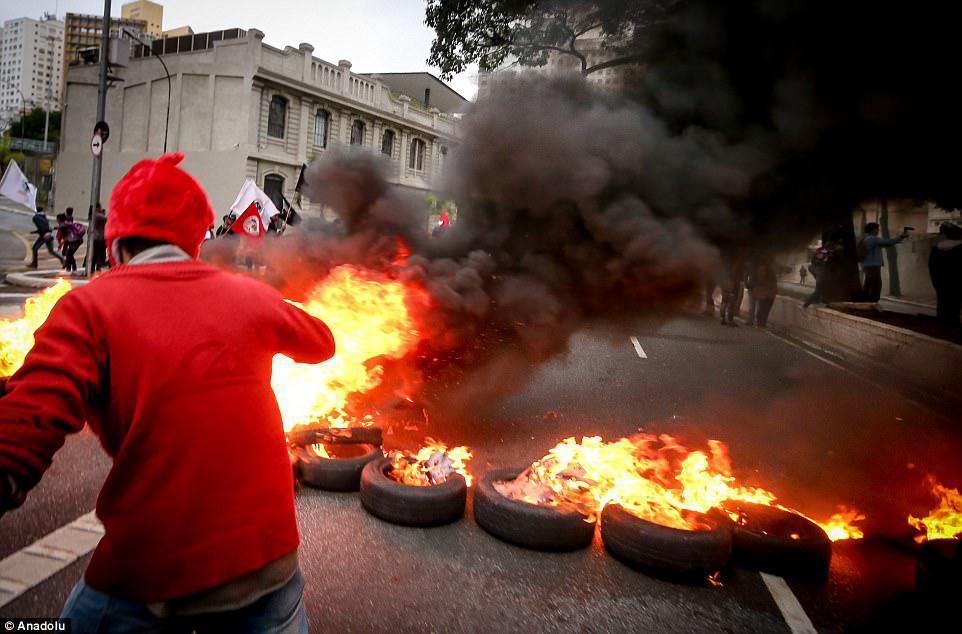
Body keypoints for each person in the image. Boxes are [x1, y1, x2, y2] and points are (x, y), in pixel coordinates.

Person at [0, 153, 335, 632]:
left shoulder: (87, 307)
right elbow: (322, 342)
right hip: (271, 569)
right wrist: (258, 304)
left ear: (114, 245)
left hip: (150, 581)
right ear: (194, 242)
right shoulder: (249, 296)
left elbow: (23, 431)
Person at [859, 222, 909, 302]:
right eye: (877, 229)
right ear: (873, 230)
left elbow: (886, 244)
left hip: (868, 266)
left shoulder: (866, 238)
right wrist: (901, 237)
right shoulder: (872, 238)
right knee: (876, 285)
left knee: (869, 284)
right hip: (872, 266)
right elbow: (888, 242)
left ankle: (866, 302)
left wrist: (898, 239)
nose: (878, 230)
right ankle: (872, 302)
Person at [928, 223, 962, 327]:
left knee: (942, 302)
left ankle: (942, 324)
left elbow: (932, 267)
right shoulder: (960, 248)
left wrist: (935, 281)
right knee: (955, 305)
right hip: (957, 282)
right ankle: (953, 325)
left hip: (940, 282)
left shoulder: (936, 249)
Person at [804, 241, 839, 308]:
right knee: (819, 290)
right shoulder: (824, 253)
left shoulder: (822, 252)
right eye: (831, 249)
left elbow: (814, 261)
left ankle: (822, 301)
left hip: (818, 271)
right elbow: (818, 262)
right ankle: (807, 303)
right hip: (820, 272)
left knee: (822, 288)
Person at [747, 255, 778, 328]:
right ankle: (761, 323)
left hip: (766, 292)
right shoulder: (765, 269)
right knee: (764, 308)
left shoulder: (764, 269)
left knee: (763, 308)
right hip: (767, 292)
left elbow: (761, 281)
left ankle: (761, 323)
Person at [719, 254, 747, 326]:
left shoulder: (725, 259)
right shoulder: (737, 260)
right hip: (732, 281)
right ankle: (730, 320)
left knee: (724, 300)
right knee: (732, 301)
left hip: (724, 280)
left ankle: (723, 318)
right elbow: (735, 271)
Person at [92, 203, 108, 272]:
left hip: (96, 238)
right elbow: (107, 219)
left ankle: (94, 269)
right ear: (97, 208)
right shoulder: (98, 216)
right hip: (100, 238)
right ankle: (98, 268)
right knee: (100, 255)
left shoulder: (94, 215)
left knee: (96, 255)